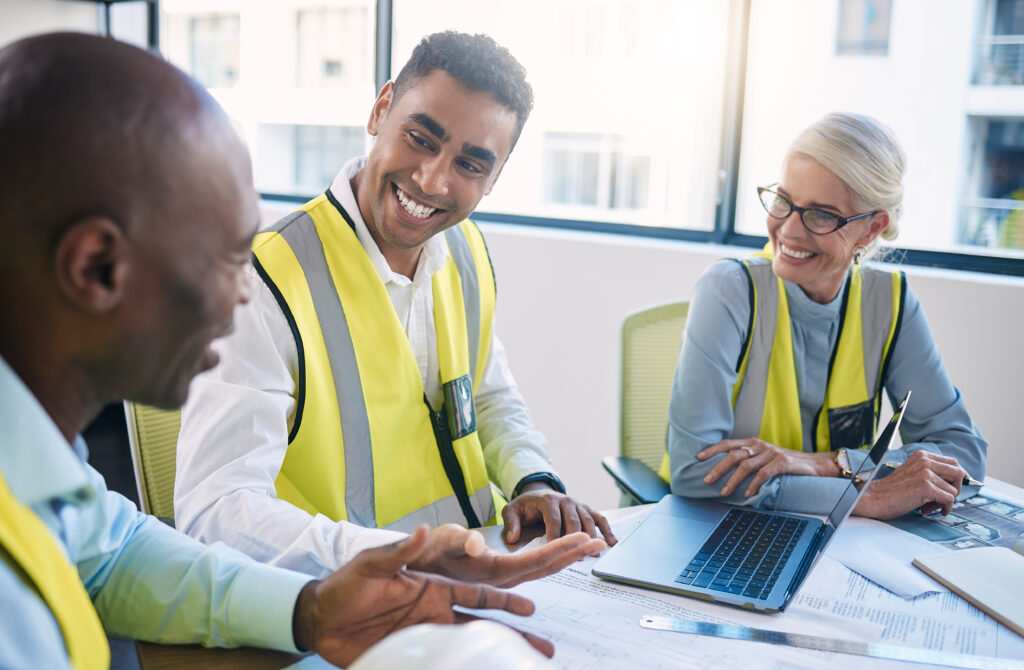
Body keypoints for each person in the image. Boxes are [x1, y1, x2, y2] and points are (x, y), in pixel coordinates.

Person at [0, 32, 606, 669]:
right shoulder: (278, 279)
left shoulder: (42, 463)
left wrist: (313, 610)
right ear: (96, 267)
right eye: (221, 257)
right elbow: (212, 513)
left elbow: (109, 552)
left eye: (471, 163)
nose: (241, 291)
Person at [174, 30, 615, 576]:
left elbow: (487, 393)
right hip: (338, 601)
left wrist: (533, 479)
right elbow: (214, 511)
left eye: (470, 165)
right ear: (381, 110)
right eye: (421, 138)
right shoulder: (264, 281)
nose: (432, 179)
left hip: (474, 573)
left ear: (494, 178)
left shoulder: (465, 249)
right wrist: (396, 557)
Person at [667, 112, 987, 521]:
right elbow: (696, 474)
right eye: (784, 200)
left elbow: (965, 453)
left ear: (871, 230)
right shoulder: (729, 289)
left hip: (840, 538)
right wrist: (865, 497)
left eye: (820, 214)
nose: (789, 230)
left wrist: (823, 463)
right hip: (716, 526)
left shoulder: (890, 303)